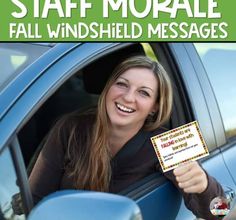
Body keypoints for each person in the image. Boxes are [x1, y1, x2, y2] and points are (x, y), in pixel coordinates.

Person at [29, 55, 225, 219]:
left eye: (143, 93)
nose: (128, 97)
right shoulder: (70, 127)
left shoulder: (170, 142)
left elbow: (221, 211)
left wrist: (205, 185)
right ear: (108, 89)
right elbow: (35, 200)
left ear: (154, 107)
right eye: (122, 84)